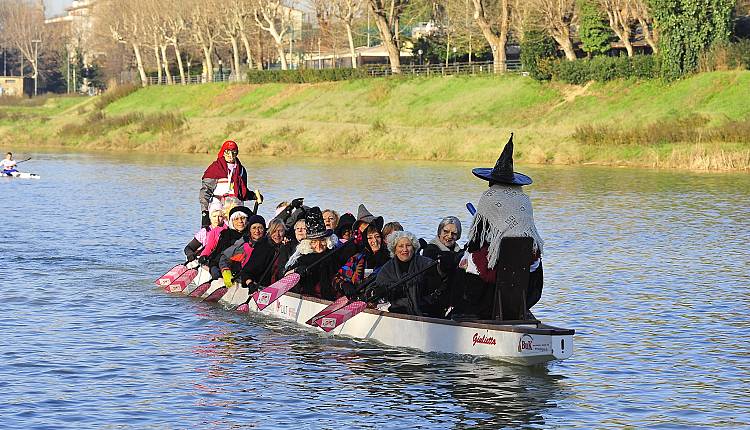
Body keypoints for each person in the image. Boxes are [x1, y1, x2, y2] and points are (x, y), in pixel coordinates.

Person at [459, 133, 544, 320]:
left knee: (467, 263)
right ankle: (520, 308)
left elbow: (477, 237)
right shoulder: (524, 199)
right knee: (529, 261)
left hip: (500, 261)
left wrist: (467, 252)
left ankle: (470, 311)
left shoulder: (489, 197)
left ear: (492, 181)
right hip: (526, 257)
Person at [285, 207, 357, 300]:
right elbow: (286, 276)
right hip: (307, 299)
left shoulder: (334, 254)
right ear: (308, 243)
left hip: (331, 299)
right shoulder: (301, 258)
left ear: (328, 241)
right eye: (314, 242)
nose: (318, 245)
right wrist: (296, 271)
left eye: (322, 240)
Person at [372, 231, 448, 318]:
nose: (405, 249)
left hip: (425, 312)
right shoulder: (387, 269)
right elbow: (378, 290)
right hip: (395, 313)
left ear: (414, 247)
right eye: (400, 246)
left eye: (408, 245)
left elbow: (438, 287)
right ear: (394, 249)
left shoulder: (427, 264)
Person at [199, 140, 260, 228]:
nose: (231, 156)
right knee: (217, 221)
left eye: (234, 153)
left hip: (235, 204)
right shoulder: (214, 168)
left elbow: (242, 193)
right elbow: (205, 192)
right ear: (223, 153)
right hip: (218, 204)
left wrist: (253, 196)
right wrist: (205, 213)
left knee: (243, 222)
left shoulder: (241, 170)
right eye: (228, 153)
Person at [198, 206, 252, 278]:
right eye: (236, 219)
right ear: (231, 221)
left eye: (243, 218)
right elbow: (218, 253)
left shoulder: (252, 235)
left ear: (247, 220)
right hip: (226, 270)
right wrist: (213, 267)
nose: (240, 221)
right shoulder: (225, 234)